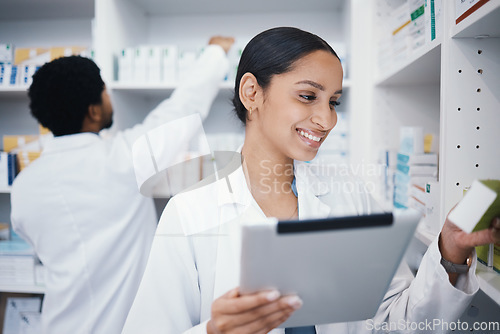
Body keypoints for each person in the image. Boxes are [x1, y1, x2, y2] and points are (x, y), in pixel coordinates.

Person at [122, 27, 500, 334]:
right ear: (252, 92)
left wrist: (450, 253)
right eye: (307, 96)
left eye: (333, 101)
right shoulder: (190, 213)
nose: (327, 119)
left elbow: (396, 325)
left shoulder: (350, 196)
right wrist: (214, 332)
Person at [10, 36, 235, 334]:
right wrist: (215, 52)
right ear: (93, 110)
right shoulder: (123, 161)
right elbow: (183, 107)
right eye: (104, 92)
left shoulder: (25, 183)